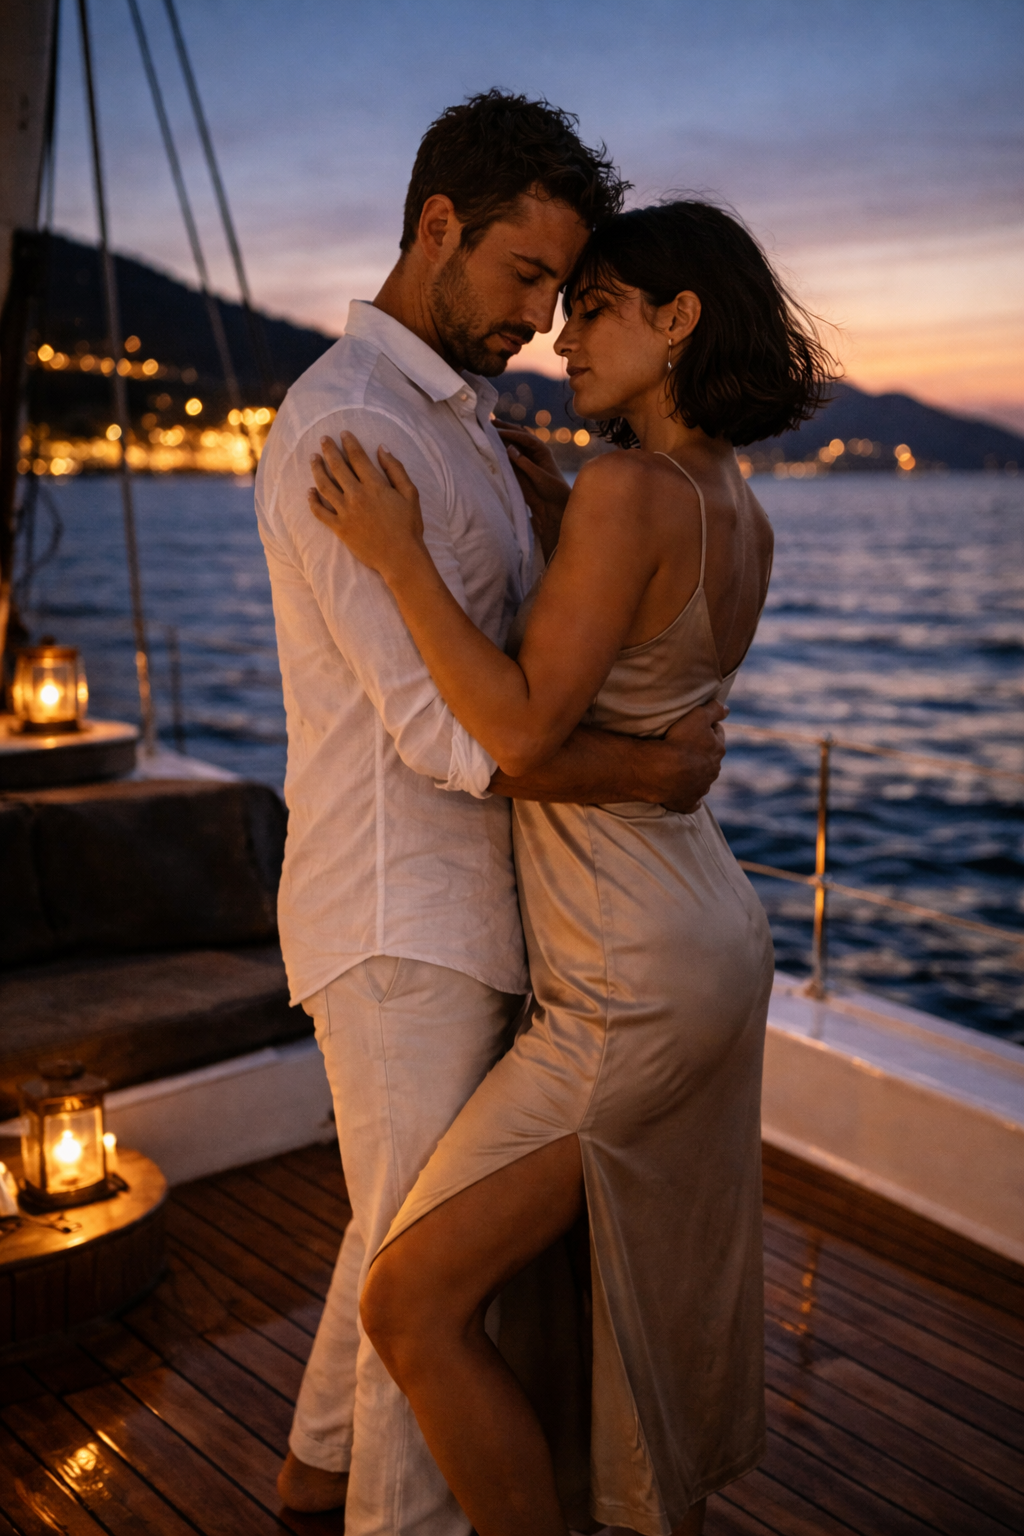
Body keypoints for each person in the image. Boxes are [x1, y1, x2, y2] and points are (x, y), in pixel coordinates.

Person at [306, 198, 835, 1536]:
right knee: (620, 1276)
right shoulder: (731, 502)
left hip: (626, 975)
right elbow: (649, 686)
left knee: (411, 1303)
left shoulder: (628, 490)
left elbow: (527, 728)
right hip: (709, 929)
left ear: (677, 321)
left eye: (593, 306)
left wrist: (398, 557)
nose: (558, 337)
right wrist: (559, 522)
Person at [256, 96, 730, 1536]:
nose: (540, 318)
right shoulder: (348, 426)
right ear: (438, 226)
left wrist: (539, 503)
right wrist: (655, 775)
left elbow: (521, 643)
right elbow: (443, 730)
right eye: (528, 277)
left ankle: (306, 1480)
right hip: (404, 926)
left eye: (565, 292)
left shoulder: (455, 427)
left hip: (478, 918)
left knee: (395, 1246)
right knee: (432, 1312)